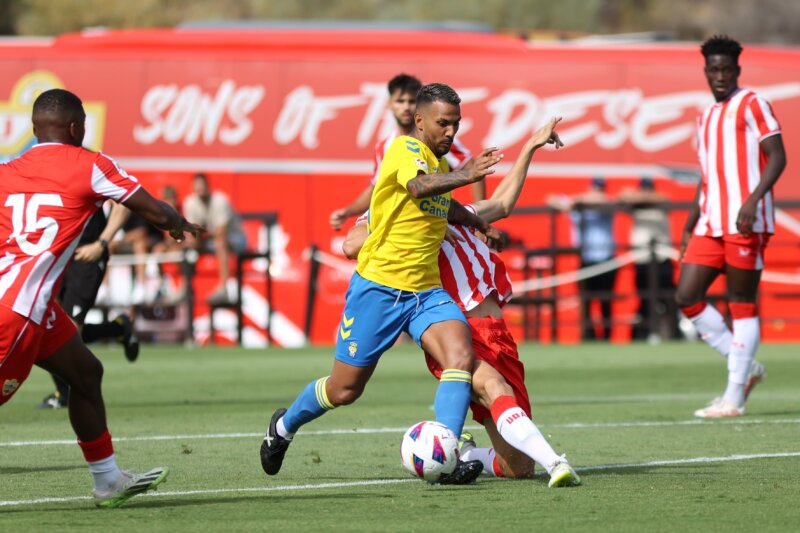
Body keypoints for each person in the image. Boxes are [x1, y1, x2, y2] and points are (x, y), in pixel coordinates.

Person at [260, 83, 503, 485]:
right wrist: (468, 173)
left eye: (456, 124)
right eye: (443, 123)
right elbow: (418, 187)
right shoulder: (404, 150)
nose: (451, 132)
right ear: (419, 120)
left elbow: (442, 204)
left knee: (459, 357)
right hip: (379, 289)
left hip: (425, 292)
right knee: (344, 390)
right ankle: (283, 426)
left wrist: (479, 223)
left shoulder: (439, 164)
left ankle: (447, 456)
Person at [344, 117, 581, 487]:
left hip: (497, 333)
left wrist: (530, 147)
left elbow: (501, 203)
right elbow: (350, 244)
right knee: (495, 389)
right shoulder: (394, 208)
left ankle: (465, 453)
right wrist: (401, 218)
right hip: (457, 330)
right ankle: (556, 463)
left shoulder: (451, 211)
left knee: (519, 468)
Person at [0, 88, 202, 507]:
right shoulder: (90, 164)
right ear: (76, 128)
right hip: (17, 310)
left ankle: (108, 480)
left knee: (86, 374)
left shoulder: (7, 170)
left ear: (34, 130)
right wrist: (178, 223)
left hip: (33, 305)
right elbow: (154, 210)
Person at [675, 35, 786, 418]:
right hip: (710, 222)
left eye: (726, 69)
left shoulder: (753, 103)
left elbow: (778, 157)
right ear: (706, 72)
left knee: (741, 303)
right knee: (687, 296)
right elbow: (707, 177)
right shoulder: (705, 116)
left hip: (744, 221)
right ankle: (746, 366)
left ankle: (734, 397)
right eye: (714, 69)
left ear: (737, 70)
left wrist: (753, 200)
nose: (720, 76)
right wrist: (690, 224)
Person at [329, 73, 482, 231]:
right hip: (400, 226)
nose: (406, 107)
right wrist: (348, 212)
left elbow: (473, 169)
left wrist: (480, 222)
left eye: (411, 101)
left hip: (432, 224)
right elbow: (376, 188)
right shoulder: (385, 146)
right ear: (389, 103)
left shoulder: (439, 138)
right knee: (354, 239)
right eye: (400, 101)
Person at [38, 202, 141, 410]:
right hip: (54, 255)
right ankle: (118, 328)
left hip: (86, 256)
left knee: (68, 330)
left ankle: (66, 394)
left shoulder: (91, 179)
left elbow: (124, 204)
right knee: (46, 326)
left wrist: (101, 243)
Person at [547, 178, 617, 340]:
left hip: (606, 260)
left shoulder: (605, 204)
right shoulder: (577, 205)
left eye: (600, 189)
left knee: (605, 301)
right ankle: (588, 336)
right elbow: (551, 199)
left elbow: (603, 200)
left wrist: (579, 201)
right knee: (586, 302)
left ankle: (607, 337)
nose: (597, 192)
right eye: (595, 188)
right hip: (585, 260)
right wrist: (572, 204)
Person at [618, 177, 679, 341]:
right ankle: (642, 334)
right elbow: (622, 196)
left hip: (662, 257)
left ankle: (674, 334)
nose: (646, 192)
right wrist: (636, 197)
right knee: (644, 298)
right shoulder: (635, 205)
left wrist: (640, 197)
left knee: (668, 298)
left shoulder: (659, 200)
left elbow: (664, 198)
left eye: (648, 189)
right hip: (642, 259)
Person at [183, 172, 248, 305]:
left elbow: (220, 233)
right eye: (197, 186)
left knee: (220, 243)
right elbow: (192, 234)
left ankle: (224, 289)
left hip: (236, 238)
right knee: (187, 246)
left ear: (208, 186)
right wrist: (194, 238)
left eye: (202, 186)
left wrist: (199, 234)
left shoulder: (220, 200)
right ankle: (185, 287)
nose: (200, 189)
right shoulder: (190, 203)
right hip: (210, 240)